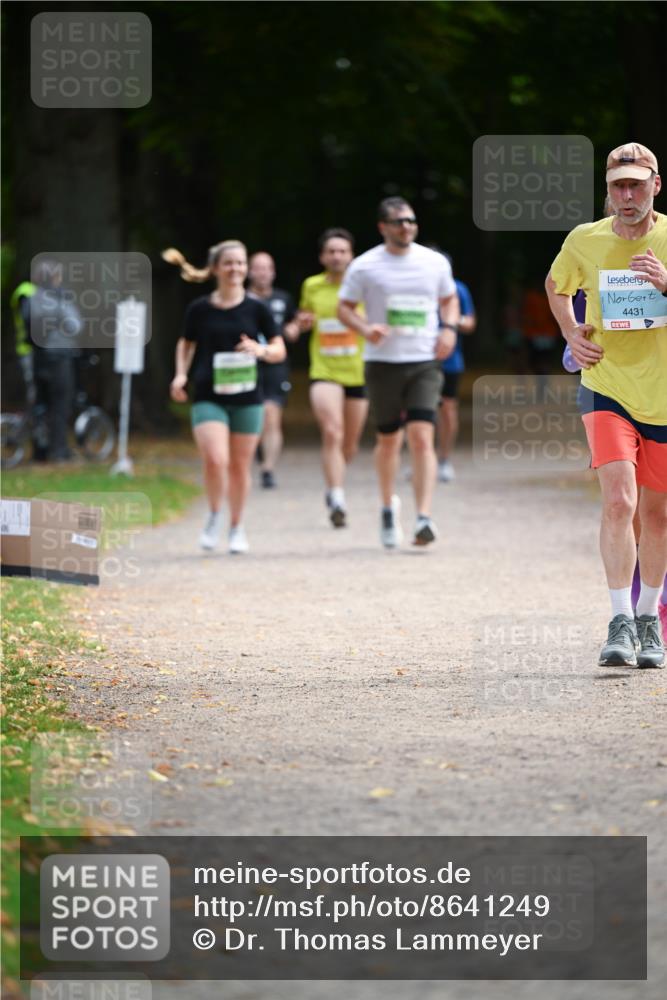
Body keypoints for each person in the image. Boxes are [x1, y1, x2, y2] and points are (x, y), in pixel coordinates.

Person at [546, 142, 667, 668]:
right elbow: (556, 285)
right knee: (620, 501)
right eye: (619, 186)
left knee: (658, 515)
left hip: (662, 394)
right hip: (606, 387)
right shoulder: (585, 239)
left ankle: (648, 618)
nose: (628, 195)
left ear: (655, 185)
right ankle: (619, 621)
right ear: (608, 190)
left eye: (637, 184)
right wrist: (572, 333)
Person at [337, 197, 459, 548]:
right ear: (383, 227)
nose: (406, 226)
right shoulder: (364, 266)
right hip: (383, 362)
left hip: (424, 360)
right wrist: (366, 329)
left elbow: (449, 299)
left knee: (421, 436)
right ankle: (388, 507)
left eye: (411, 220)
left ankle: (423, 516)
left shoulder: (434, 262)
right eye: (398, 221)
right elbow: (344, 308)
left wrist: (449, 329)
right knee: (389, 439)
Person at [164, 241, 286, 554]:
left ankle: (236, 525)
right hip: (209, 395)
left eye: (240, 263)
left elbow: (279, 349)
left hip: (247, 397)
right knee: (216, 459)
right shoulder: (199, 309)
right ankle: (215, 514)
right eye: (229, 263)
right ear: (216, 268)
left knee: (240, 467)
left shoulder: (257, 308)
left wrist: (260, 350)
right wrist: (181, 374)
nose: (236, 269)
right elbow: (185, 344)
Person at [290, 228, 367, 528]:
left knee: (350, 445)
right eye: (331, 251)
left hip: (358, 371)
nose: (337, 256)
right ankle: (337, 496)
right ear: (322, 257)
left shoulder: (364, 286)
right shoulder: (312, 286)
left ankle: (335, 483)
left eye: (342, 251)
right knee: (332, 431)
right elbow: (304, 316)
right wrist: (302, 322)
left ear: (352, 256)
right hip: (324, 370)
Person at [246, 252, 299, 489]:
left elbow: (292, 326)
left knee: (271, 415)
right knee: (251, 416)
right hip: (246, 364)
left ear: (273, 272)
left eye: (267, 268)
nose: (262, 273)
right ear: (250, 271)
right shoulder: (241, 299)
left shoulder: (282, 299)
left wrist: (295, 328)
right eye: (258, 268)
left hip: (275, 365)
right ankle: (250, 455)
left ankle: (267, 469)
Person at [21, 260, 82, 461]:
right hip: (60, 358)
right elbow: (75, 326)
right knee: (60, 404)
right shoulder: (59, 299)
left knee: (40, 405)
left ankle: (39, 450)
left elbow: (27, 322)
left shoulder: (32, 298)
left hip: (38, 357)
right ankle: (58, 450)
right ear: (53, 277)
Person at [436, 255, 476, 483]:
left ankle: (444, 459)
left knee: (447, 409)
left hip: (450, 360)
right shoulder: (415, 286)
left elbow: (470, 323)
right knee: (415, 412)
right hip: (417, 358)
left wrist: (451, 321)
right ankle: (422, 459)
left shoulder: (457, 289)